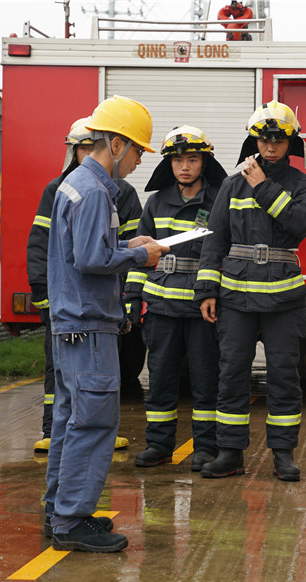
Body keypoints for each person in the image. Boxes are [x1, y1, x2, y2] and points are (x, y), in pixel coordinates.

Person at [44, 95, 169, 553]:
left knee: (69, 423)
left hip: (70, 325)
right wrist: (141, 254)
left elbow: (86, 248)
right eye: (137, 150)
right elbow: (93, 258)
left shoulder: (75, 183)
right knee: (94, 424)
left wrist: (124, 241)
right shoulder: (97, 190)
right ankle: (72, 521)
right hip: (89, 325)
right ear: (115, 144)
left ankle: (59, 510)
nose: (138, 160)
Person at [195, 101, 306, 481]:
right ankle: (230, 452)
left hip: (284, 301)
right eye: (263, 139)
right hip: (235, 299)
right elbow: (213, 240)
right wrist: (206, 290)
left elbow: (298, 224)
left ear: (291, 142)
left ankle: (283, 454)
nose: (270, 147)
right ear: (254, 140)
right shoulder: (231, 185)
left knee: (284, 375)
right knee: (232, 373)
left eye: (278, 139)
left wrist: (263, 187)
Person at [26, 118, 143, 453]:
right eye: (84, 148)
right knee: (81, 405)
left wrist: (128, 294)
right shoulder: (88, 191)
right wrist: (43, 296)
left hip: (92, 311)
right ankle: (69, 492)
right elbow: (57, 249)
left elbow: (110, 246)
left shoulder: (105, 190)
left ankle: (63, 500)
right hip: (82, 314)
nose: (138, 161)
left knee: (79, 398)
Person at [129, 126, 227, 471]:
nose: (185, 167)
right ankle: (158, 445)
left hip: (203, 310)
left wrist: (213, 295)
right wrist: (132, 296)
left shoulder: (219, 202)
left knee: (205, 383)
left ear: (205, 162)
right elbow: (140, 254)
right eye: (178, 160)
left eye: (193, 159)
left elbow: (221, 256)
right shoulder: (155, 202)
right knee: (160, 381)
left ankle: (205, 448)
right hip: (161, 308)